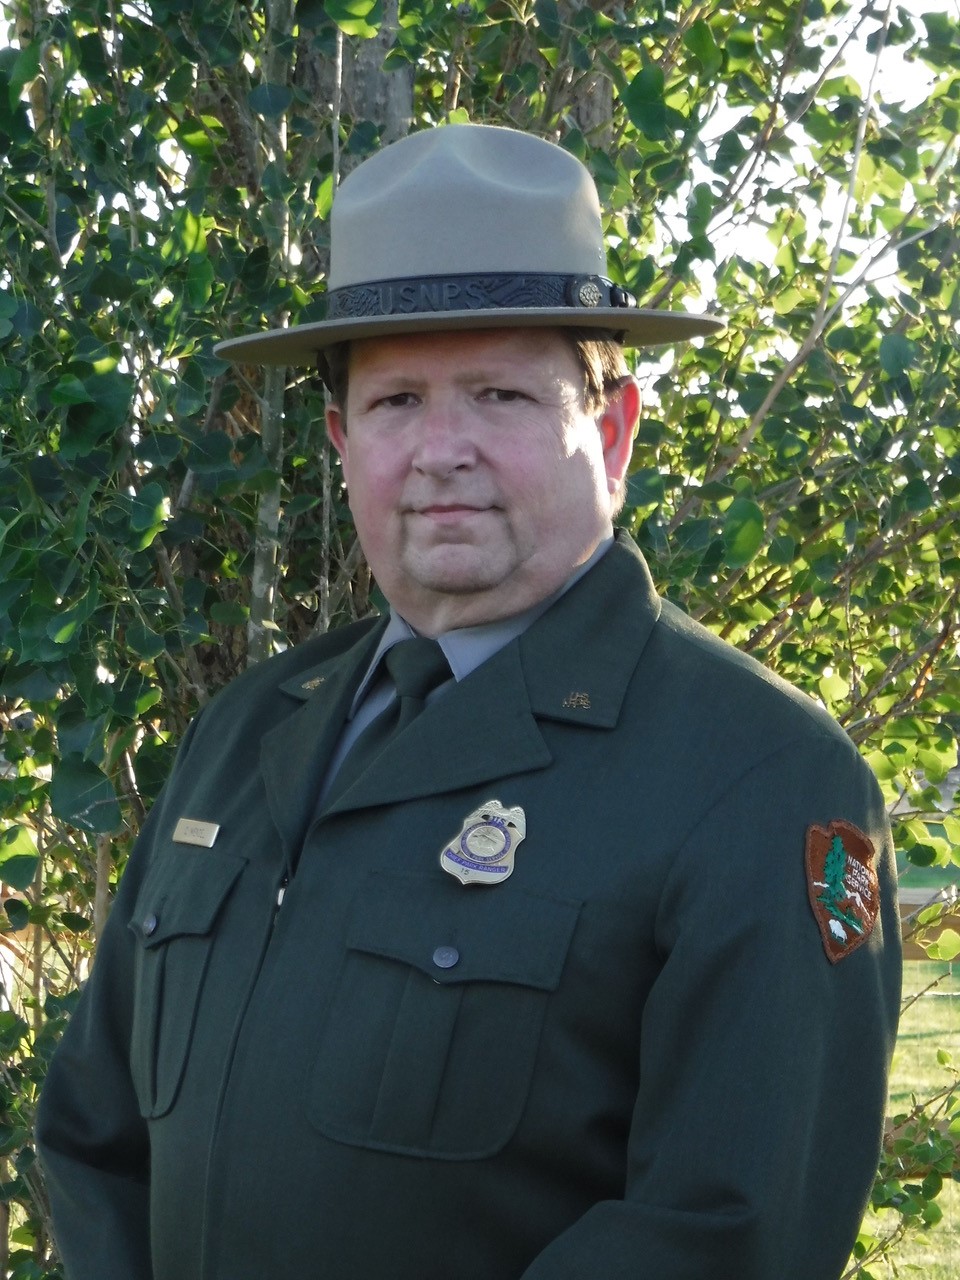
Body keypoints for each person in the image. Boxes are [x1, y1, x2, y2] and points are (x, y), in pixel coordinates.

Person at [37, 124, 901, 1280]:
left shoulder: (758, 774)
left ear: (611, 427)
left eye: (497, 392)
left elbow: (722, 1235)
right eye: (396, 402)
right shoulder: (246, 732)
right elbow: (95, 1134)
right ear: (343, 441)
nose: (441, 449)